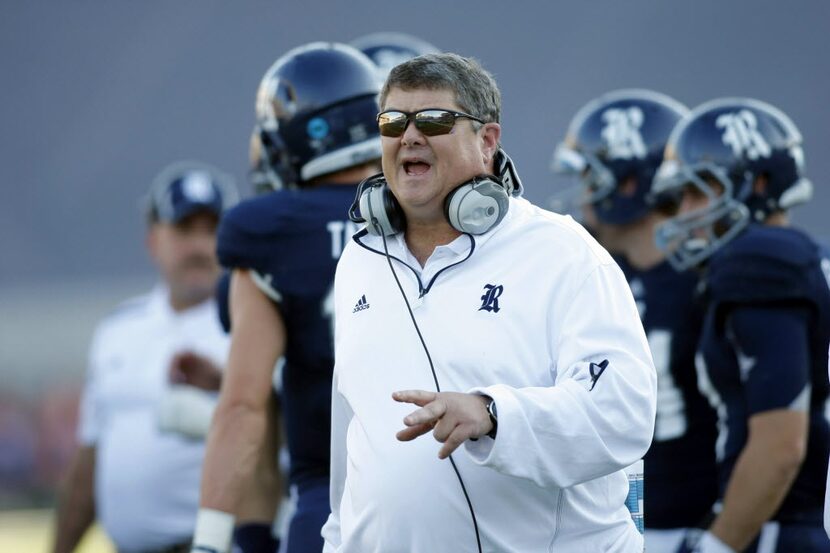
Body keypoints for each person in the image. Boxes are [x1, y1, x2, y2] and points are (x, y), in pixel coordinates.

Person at [323, 52, 657, 552]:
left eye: (434, 120)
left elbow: (623, 411)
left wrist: (495, 413)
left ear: (487, 142)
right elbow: (351, 449)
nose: (409, 136)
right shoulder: (358, 260)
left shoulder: (563, 253)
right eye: (393, 122)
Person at [191, 42, 383, 553]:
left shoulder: (269, 230)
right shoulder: (438, 213)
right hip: (451, 494)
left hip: (331, 503)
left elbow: (243, 407)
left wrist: (210, 541)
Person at [651, 97, 830, 552]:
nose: (686, 211)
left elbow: (781, 446)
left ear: (759, 183)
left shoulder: (759, 263)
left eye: (699, 190)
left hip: (780, 527)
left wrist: (719, 544)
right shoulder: (808, 257)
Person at [552, 89, 718, 552]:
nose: (584, 190)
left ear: (628, 184)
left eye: (592, 174)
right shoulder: (593, 271)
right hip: (620, 520)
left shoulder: (709, 280)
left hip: (699, 520)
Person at [52, 161, 238, 553]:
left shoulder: (249, 325)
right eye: (185, 230)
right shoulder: (117, 330)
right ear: (153, 240)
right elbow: (91, 461)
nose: (200, 247)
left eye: (212, 230)